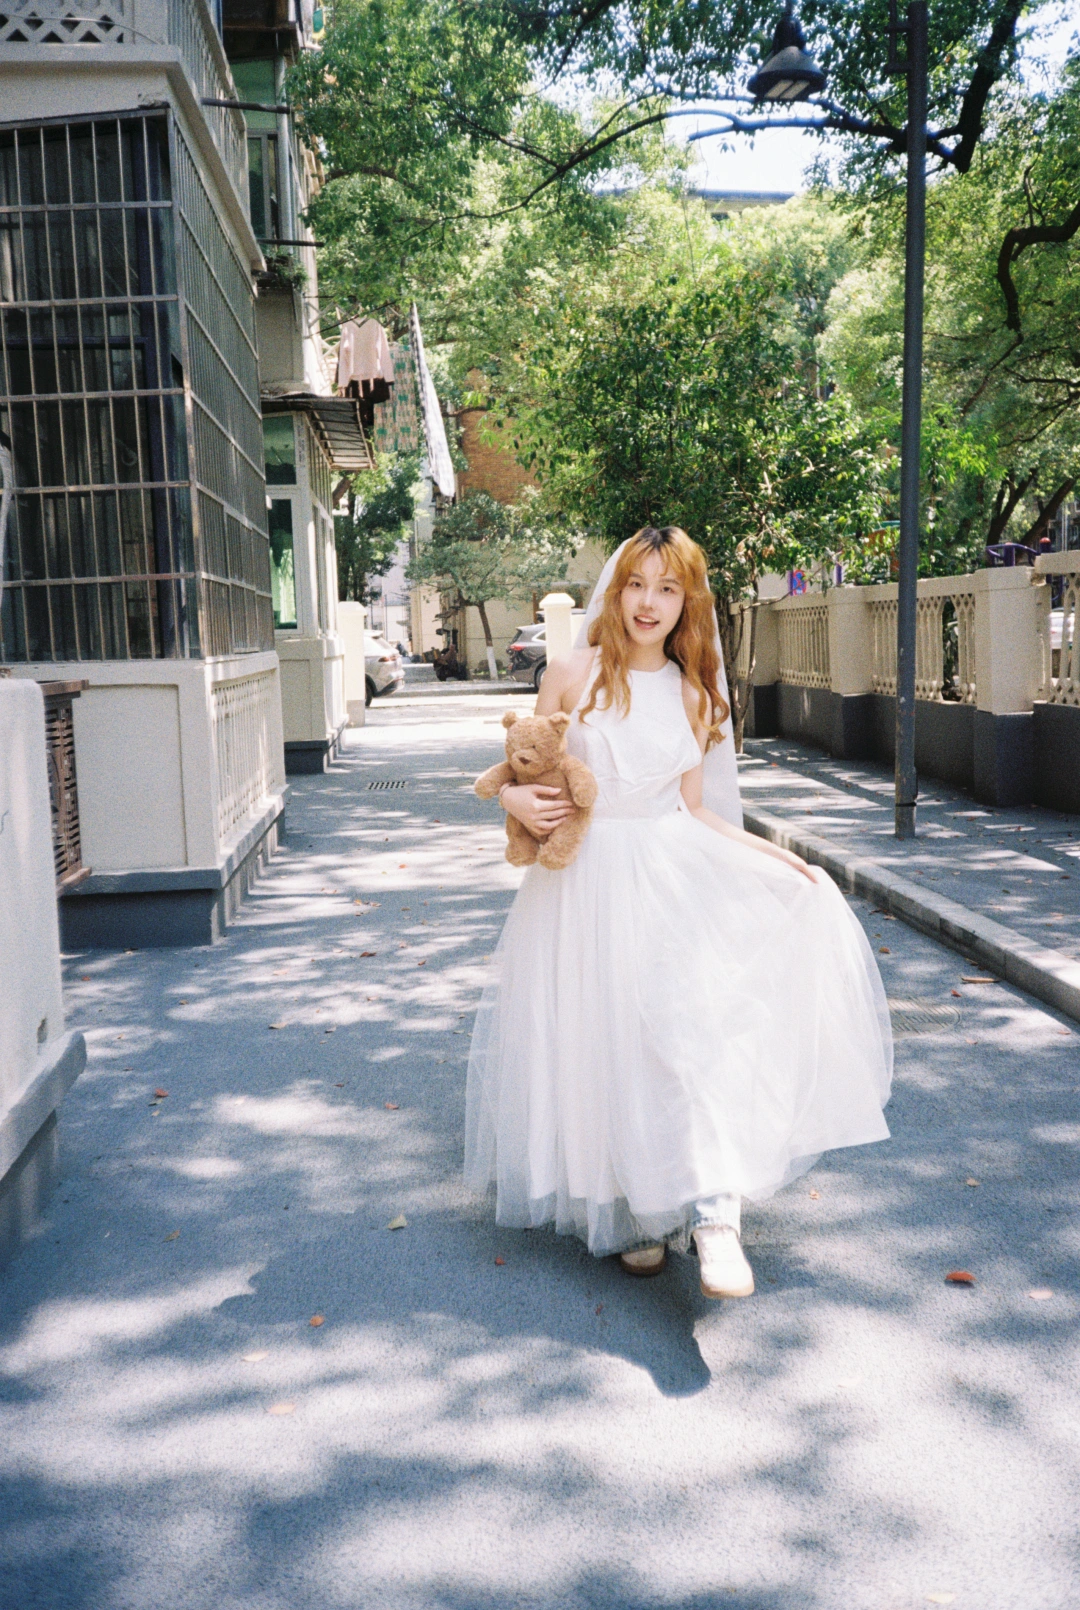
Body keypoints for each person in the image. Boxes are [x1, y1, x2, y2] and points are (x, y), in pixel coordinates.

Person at [465, 526, 892, 1299]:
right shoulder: (570, 674)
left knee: (688, 1034)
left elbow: (696, 810)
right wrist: (516, 802)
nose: (649, 602)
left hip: (670, 876)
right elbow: (529, 766)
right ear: (616, 589)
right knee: (605, 1042)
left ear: (686, 600)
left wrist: (781, 860)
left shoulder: (695, 693)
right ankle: (638, 1211)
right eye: (637, 583)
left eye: (667, 588)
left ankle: (714, 1216)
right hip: (582, 884)